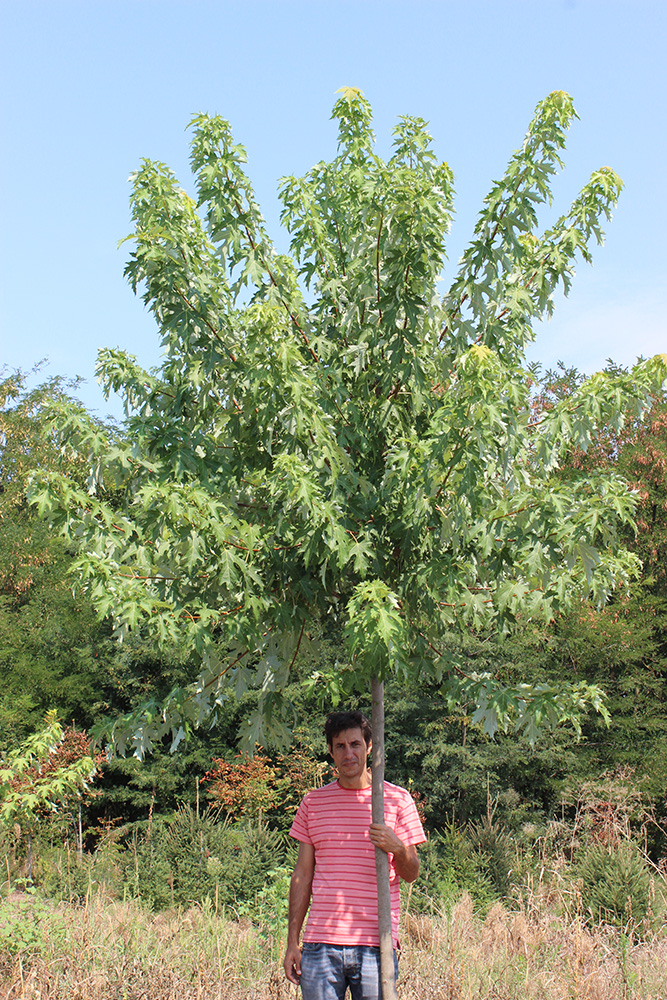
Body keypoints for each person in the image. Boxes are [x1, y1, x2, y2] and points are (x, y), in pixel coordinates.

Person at [283, 710, 426, 999]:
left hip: (377, 944)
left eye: (355, 744)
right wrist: (292, 942)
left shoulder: (397, 800)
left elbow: (411, 874)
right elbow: (302, 875)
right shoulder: (313, 803)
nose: (349, 753)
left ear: (369, 747)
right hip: (320, 945)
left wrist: (397, 847)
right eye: (340, 746)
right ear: (331, 752)